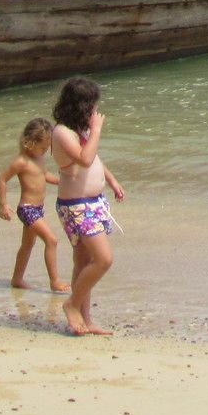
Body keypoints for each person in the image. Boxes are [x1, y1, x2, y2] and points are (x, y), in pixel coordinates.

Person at [50, 75, 126, 336]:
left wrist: (112, 181)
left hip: (94, 203)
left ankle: (84, 318)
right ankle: (71, 305)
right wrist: (96, 130)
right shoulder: (61, 132)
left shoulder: (80, 131)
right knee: (103, 259)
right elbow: (84, 159)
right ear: (82, 106)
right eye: (92, 105)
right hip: (77, 205)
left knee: (84, 262)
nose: (96, 110)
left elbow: (96, 161)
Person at [0, 117, 68, 293]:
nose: (45, 151)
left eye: (47, 148)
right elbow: (2, 180)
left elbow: (44, 175)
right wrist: (3, 205)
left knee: (27, 245)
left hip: (38, 209)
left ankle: (17, 279)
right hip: (27, 209)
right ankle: (55, 281)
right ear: (29, 142)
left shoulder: (39, 159)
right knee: (52, 240)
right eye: (43, 147)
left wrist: (63, 181)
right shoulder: (21, 161)